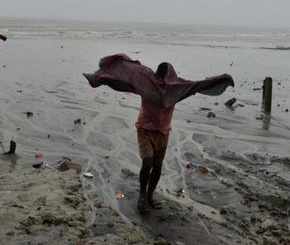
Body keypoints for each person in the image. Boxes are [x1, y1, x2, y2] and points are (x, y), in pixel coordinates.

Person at [84, 54, 234, 211]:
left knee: (157, 165)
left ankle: (150, 195)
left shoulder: (177, 88)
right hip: (145, 128)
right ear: (156, 75)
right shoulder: (145, 80)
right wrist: (100, 77)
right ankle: (142, 196)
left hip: (163, 131)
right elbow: (126, 71)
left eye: (165, 80)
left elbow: (198, 85)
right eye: (160, 78)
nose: (162, 83)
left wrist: (222, 79)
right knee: (147, 162)